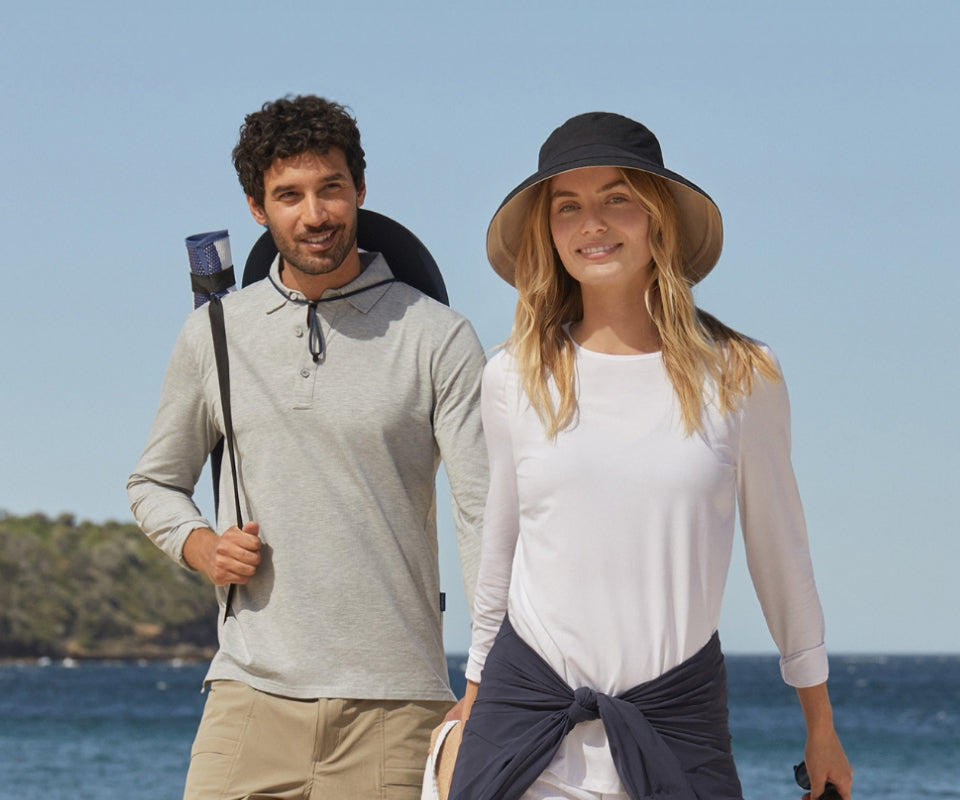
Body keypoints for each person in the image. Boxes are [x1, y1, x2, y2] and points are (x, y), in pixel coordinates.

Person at [449, 112, 853, 800]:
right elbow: (501, 549)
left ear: (657, 217)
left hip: (675, 730)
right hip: (522, 732)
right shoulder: (513, 376)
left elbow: (781, 555)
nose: (592, 224)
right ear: (548, 232)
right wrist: (472, 697)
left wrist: (821, 724)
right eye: (567, 207)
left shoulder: (741, 376)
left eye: (617, 199)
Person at [127, 95, 488, 800]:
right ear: (258, 208)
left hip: (397, 706)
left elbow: (485, 519)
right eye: (288, 195)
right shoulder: (215, 335)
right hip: (247, 701)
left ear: (359, 189)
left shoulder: (440, 337)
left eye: (330, 188)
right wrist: (202, 547)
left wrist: (487, 683)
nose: (314, 214)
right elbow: (154, 483)